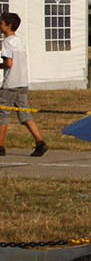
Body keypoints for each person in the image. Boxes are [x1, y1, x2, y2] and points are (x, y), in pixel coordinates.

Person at [0, 13, 47, 157]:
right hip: (22, 82)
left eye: (1, 23)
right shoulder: (18, 41)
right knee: (25, 113)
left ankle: (0, 146)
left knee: (2, 114)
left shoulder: (6, 42)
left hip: (10, 83)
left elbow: (8, 63)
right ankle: (40, 142)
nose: (0, 26)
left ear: (9, 26)